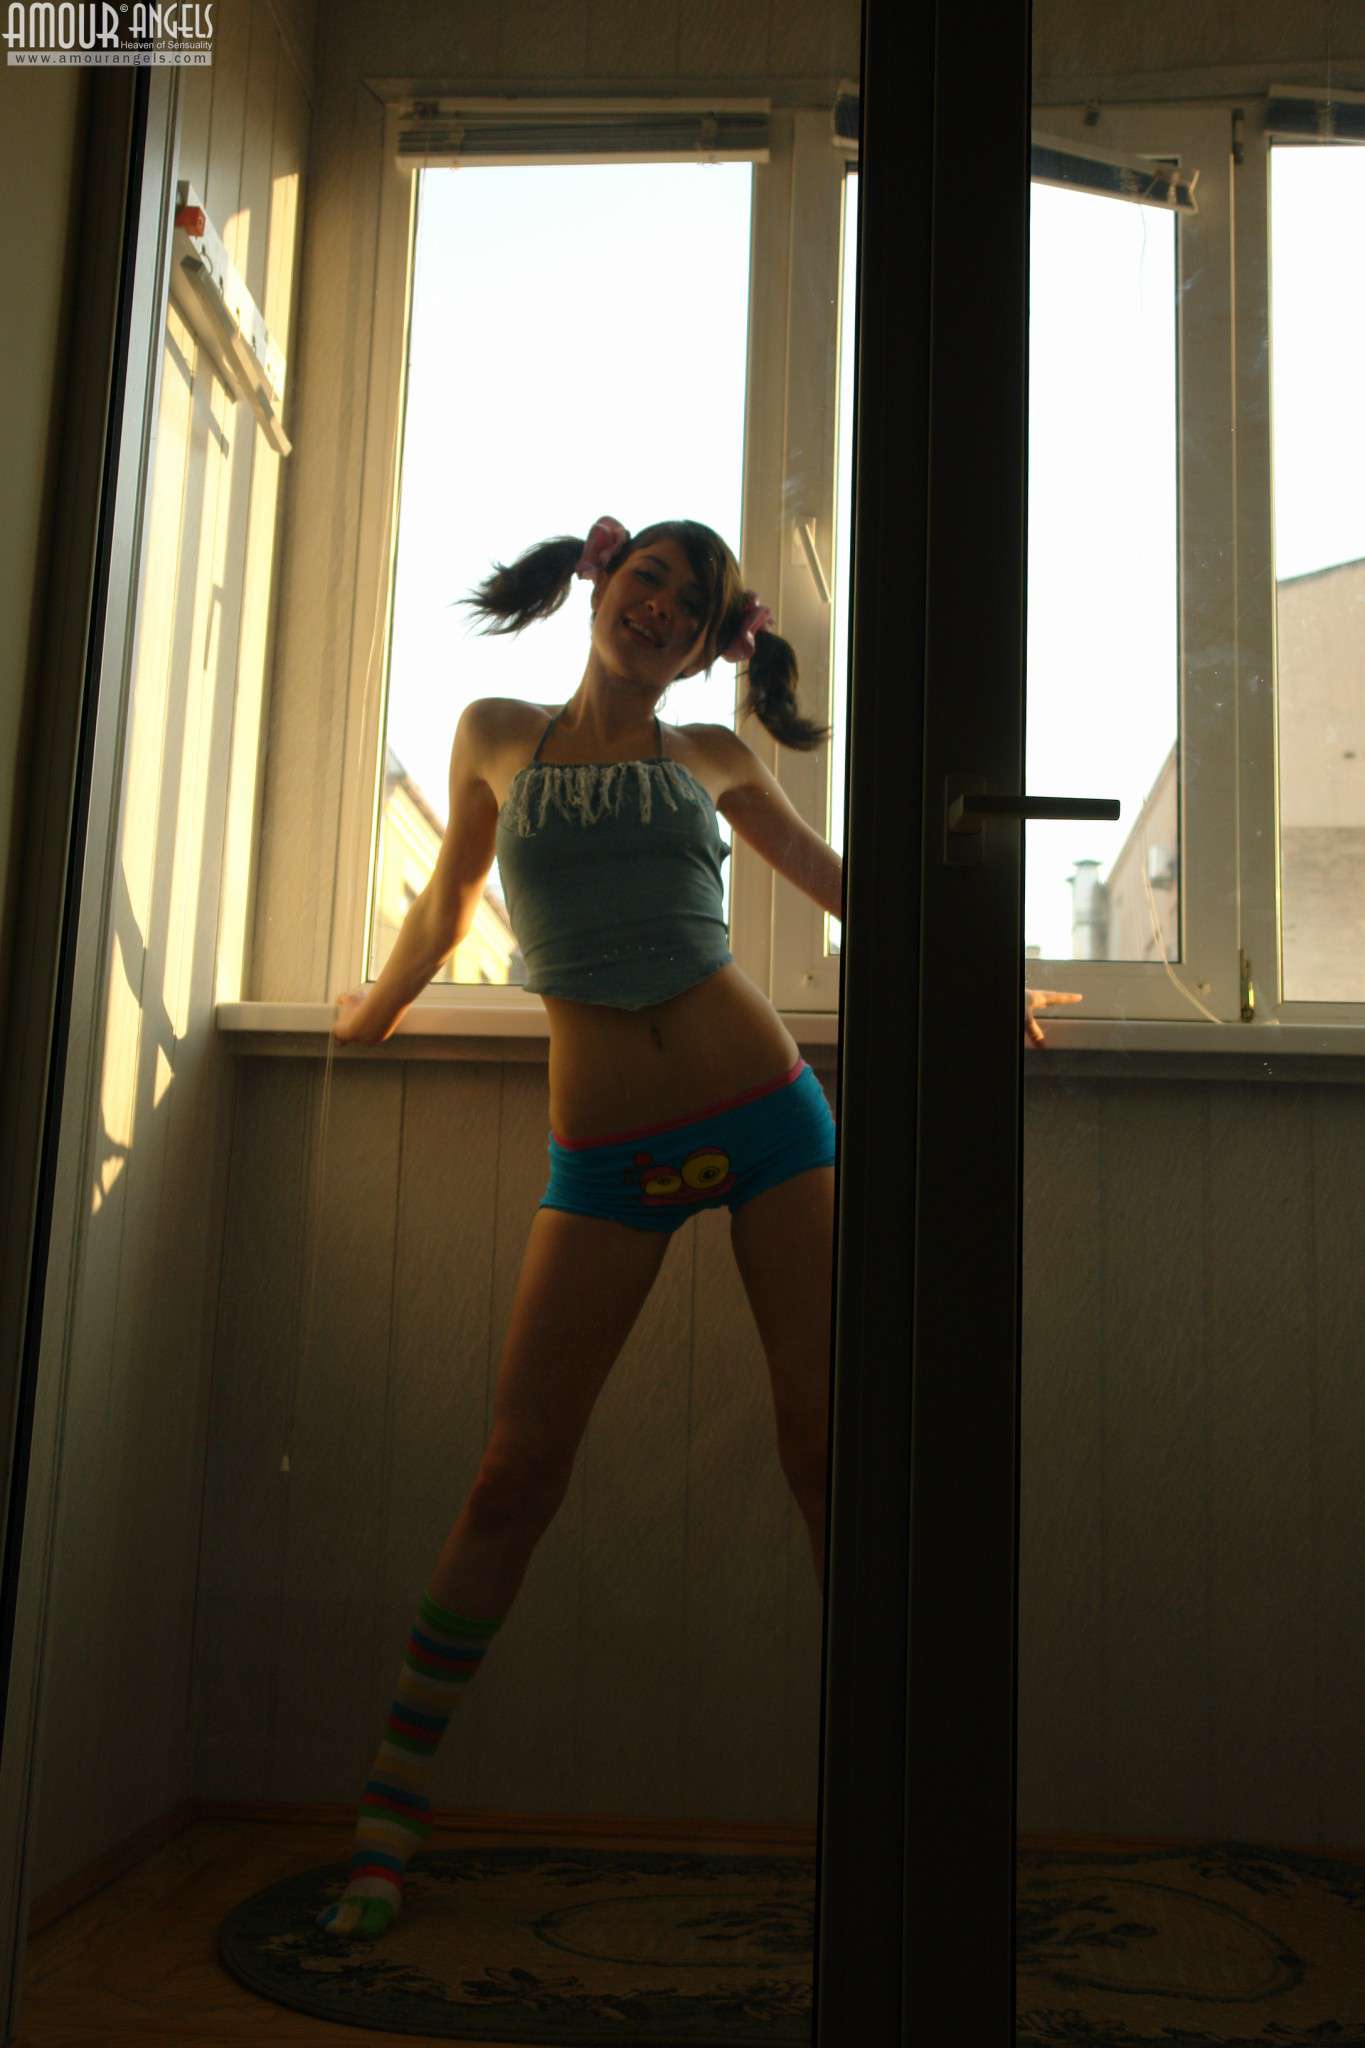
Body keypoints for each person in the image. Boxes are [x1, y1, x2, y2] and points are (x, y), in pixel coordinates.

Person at [316, 514, 1078, 1939]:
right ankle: (389, 1810)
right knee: (512, 1474)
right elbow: (445, 908)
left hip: (772, 1123)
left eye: (690, 598)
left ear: (709, 644)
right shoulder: (494, 734)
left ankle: (897, 1808)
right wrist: (360, 1022)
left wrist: (979, 972)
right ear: (602, 584)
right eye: (648, 576)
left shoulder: (712, 756)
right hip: (604, 1162)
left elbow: (848, 885)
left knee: (826, 1452)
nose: (658, 603)